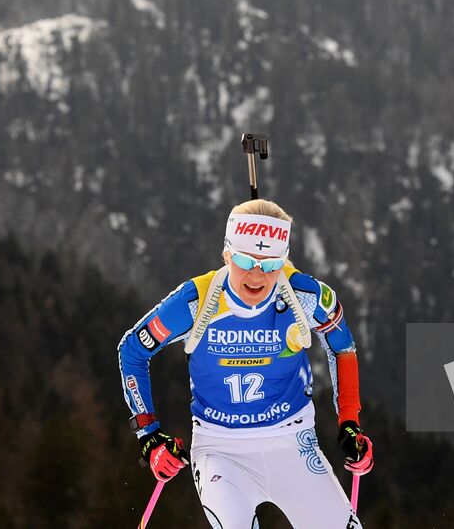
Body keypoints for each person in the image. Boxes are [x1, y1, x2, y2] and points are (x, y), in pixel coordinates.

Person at [118, 198, 373, 528]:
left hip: (293, 443)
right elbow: (132, 351)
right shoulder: (195, 301)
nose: (256, 275)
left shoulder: (306, 297)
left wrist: (349, 421)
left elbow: (343, 348)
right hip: (221, 450)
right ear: (226, 254)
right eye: (244, 260)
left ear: (283, 261)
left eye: (270, 265)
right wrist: (149, 435)